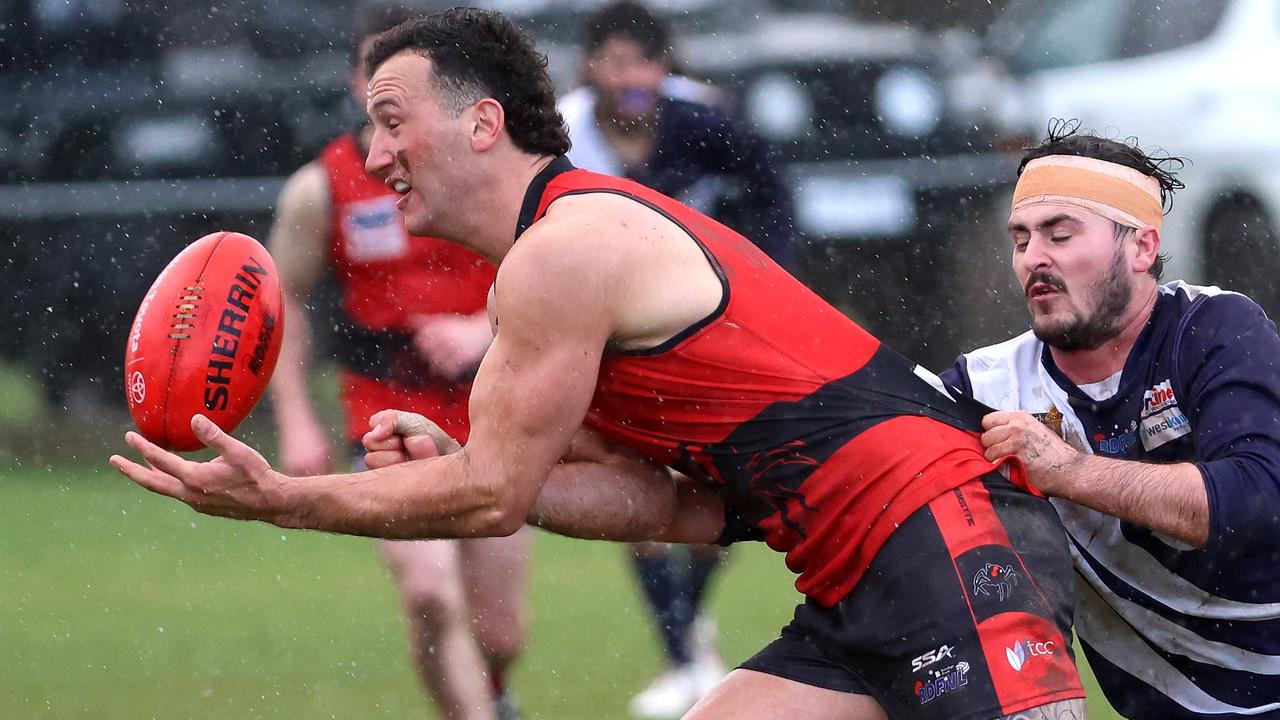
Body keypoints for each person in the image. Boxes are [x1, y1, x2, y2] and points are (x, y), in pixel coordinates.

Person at [111, 10, 1086, 719]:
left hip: (952, 535)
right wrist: (469, 455)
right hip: (853, 578)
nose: (373, 152)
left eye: (391, 118)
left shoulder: (565, 252)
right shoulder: (538, 274)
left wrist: (286, 496)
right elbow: (662, 507)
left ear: (482, 124)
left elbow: (488, 498)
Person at [941, 123, 1280, 719]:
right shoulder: (985, 387)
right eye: (1021, 239)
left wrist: (1067, 470)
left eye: (1060, 234)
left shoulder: (1216, 329)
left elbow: (1257, 499)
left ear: (1142, 247)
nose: (1034, 259)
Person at [264, 7, 529, 719]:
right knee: (429, 593)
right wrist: (294, 416)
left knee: (501, 633)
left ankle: (496, 695)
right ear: (357, 82)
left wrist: (482, 326)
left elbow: (555, 266)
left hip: (493, 408)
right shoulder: (321, 187)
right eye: (373, 75)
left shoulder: (488, 167)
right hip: (384, 413)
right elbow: (279, 301)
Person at [559, 4, 800, 715]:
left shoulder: (707, 123)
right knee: (634, 487)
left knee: (714, 491)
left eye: (644, 62)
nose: (631, 78)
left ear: (665, 69)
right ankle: (682, 654)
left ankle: (686, 640)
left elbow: (773, 201)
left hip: (707, 336)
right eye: (617, 61)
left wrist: (768, 286)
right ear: (589, 65)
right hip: (612, 337)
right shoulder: (564, 135)